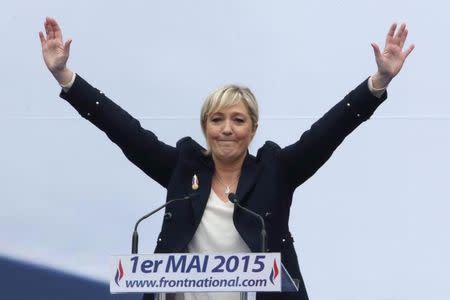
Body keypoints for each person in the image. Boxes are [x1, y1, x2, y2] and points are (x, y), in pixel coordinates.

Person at [39, 17, 414, 300]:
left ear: (253, 128)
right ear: (205, 126)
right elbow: (122, 128)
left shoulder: (276, 170)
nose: (227, 129)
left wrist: (377, 83)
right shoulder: (182, 167)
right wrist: (66, 77)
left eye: (238, 120)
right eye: (217, 119)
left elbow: (331, 129)